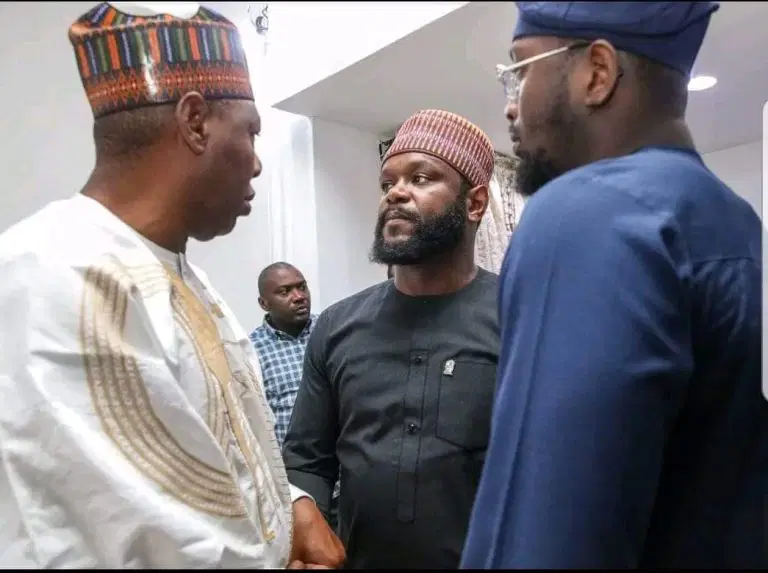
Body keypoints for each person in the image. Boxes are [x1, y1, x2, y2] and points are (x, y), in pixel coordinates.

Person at [0, 3, 343, 568]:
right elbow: (137, 535)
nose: (257, 164)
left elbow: (226, 457)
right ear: (194, 121)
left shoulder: (187, 281)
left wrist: (294, 502)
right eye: (251, 132)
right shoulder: (60, 271)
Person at [462, 2, 766, 569]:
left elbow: (541, 539)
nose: (510, 103)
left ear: (596, 73)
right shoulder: (741, 226)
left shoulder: (589, 212)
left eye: (522, 70)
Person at [282, 109, 500, 569]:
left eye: (421, 178)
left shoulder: (522, 317)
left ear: (474, 204)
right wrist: (309, 531)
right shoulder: (337, 326)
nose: (396, 193)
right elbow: (306, 460)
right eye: (387, 183)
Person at [249, 262, 341, 530]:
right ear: (264, 303)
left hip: (350, 482)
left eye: (302, 287)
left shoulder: (334, 334)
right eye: (285, 291)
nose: (299, 296)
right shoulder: (251, 353)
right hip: (295, 491)